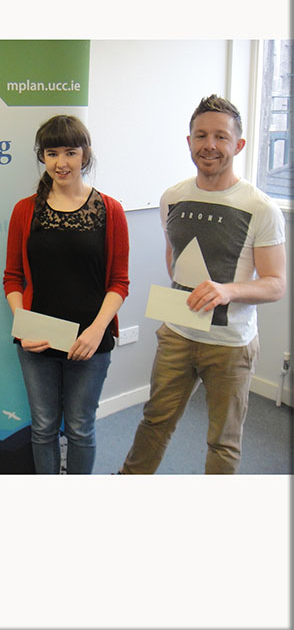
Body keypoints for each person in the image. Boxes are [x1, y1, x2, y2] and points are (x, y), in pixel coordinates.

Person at [118, 94, 286, 475]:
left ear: (238, 144)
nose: (210, 144)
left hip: (231, 345)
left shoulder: (261, 208)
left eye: (221, 136)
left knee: (223, 442)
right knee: (154, 421)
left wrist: (228, 291)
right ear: (189, 141)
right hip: (177, 334)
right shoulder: (172, 197)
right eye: (201, 135)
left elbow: (276, 284)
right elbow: (173, 259)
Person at [3, 115, 129, 474]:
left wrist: (96, 331)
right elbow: (12, 278)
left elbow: (119, 282)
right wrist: (23, 326)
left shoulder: (110, 210)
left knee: (80, 428)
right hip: (37, 341)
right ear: (42, 156)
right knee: (43, 428)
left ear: (85, 155)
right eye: (52, 153)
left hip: (90, 341)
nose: (61, 162)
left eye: (70, 152)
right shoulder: (25, 211)